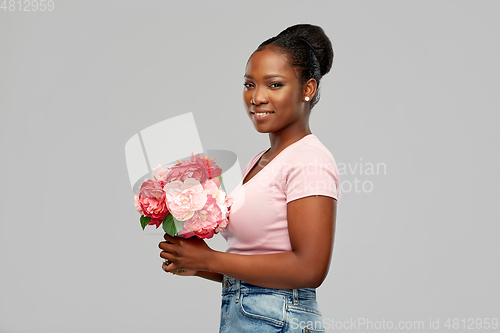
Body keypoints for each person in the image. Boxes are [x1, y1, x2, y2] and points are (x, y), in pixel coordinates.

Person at [159, 23, 340, 333]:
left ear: (307, 89)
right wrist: (197, 263)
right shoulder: (260, 161)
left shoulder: (310, 159)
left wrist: (212, 259)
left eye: (274, 85)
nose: (256, 97)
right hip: (249, 315)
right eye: (248, 84)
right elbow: (254, 262)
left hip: (280, 321)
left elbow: (309, 268)